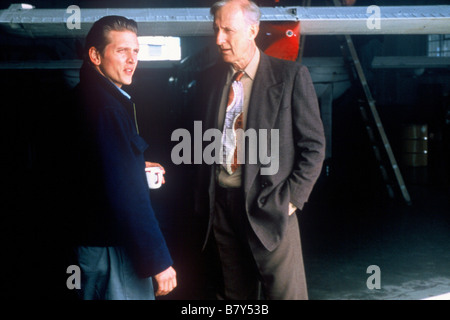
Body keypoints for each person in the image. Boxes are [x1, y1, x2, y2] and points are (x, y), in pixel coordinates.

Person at [194, 0, 326, 300]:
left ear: (253, 30)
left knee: (285, 295)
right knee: (232, 296)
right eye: (216, 30)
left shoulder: (291, 76)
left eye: (228, 30)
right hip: (222, 210)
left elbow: (314, 147)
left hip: (270, 207)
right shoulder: (210, 80)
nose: (219, 39)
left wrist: (291, 200)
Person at [69, 15, 176, 300]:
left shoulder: (87, 97)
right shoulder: (106, 107)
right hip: (113, 247)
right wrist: (158, 260)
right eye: (122, 51)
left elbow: (94, 167)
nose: (132, 60)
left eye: (136, 51)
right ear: (95, 55)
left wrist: (133, 165)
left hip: (92, 243)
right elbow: (127, 195)